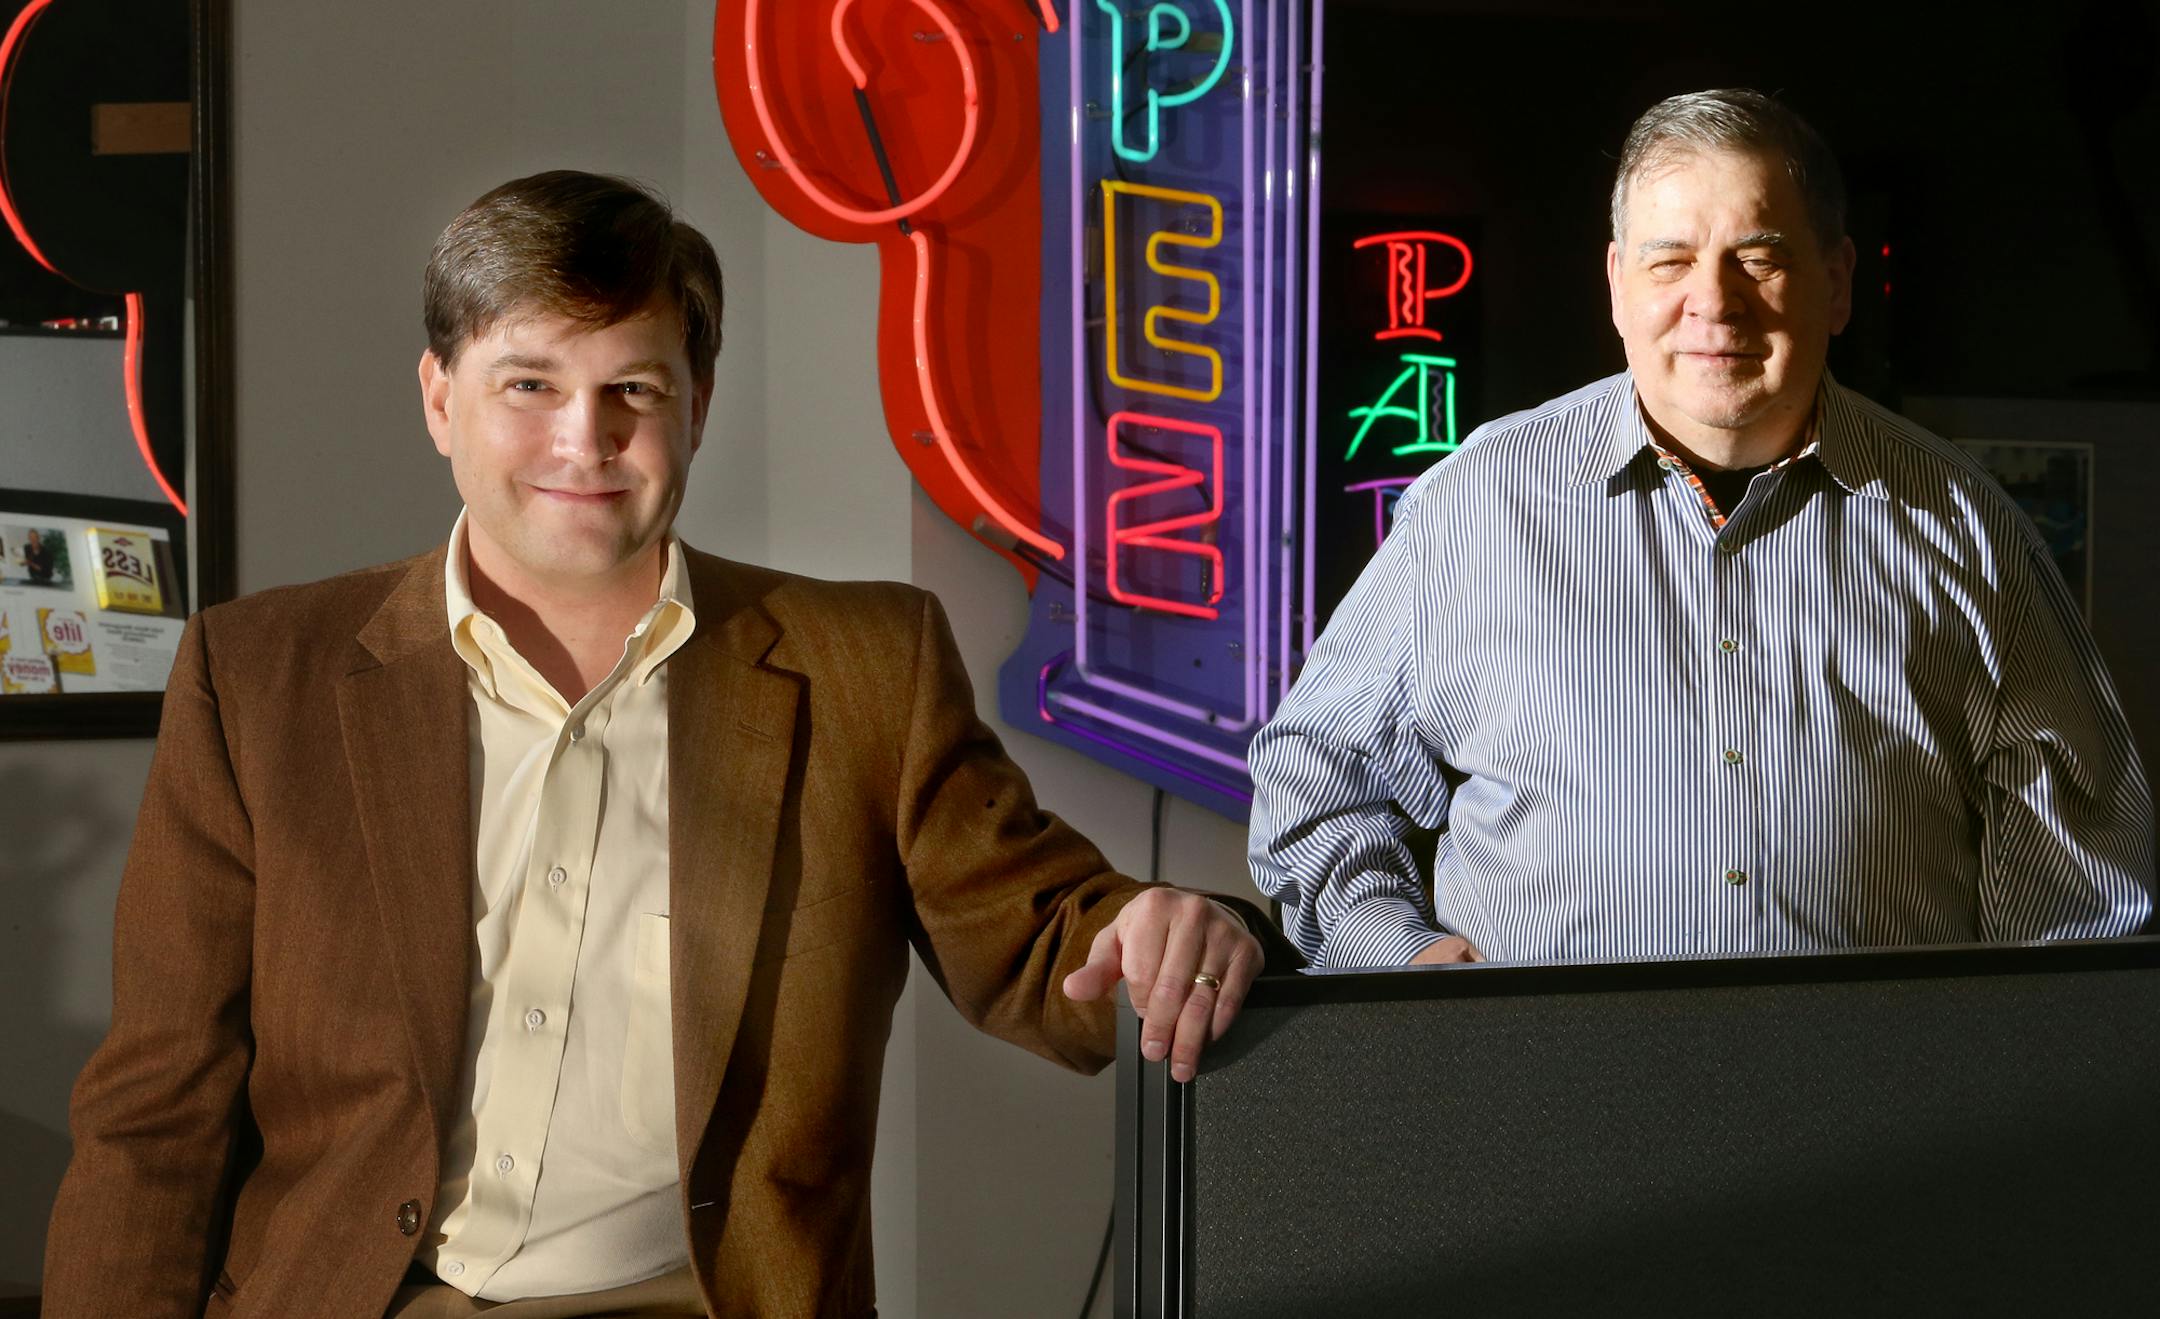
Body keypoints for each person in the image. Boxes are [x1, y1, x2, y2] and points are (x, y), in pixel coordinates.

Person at [43, 170, 1291, 1319]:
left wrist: (1174, 929)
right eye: (528, 384)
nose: (584, 442)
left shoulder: (867, 662)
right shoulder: (259, 679)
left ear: (696, 403)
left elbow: (1043, 944)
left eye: (631, 389)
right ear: (440, 398)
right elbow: (159, 1109)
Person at [1249, 88, 2155, 968]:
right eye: (1670, 260)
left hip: (1879, 1108)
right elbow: (1315, 784)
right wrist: (1406, 959)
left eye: (1758, 257)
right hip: (1543, 1101)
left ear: (1837, 283)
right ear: (1616, 284)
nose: (1714, 304)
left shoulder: (1969, 529)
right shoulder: (1473, 509)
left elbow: (2082, 886)